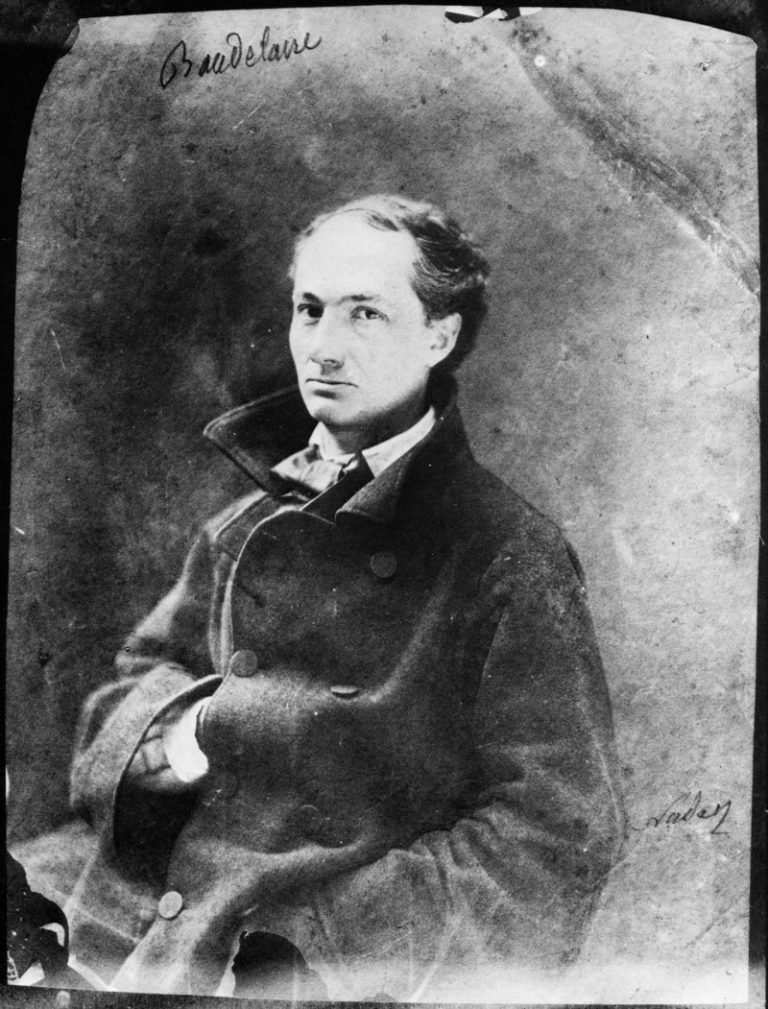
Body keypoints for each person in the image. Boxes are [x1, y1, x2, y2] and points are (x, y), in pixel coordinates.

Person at [16, 195, 625, 1001]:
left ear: (439, 336)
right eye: (310, 309)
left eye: (365, 313)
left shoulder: (506, 552)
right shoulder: (241, 525)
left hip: (289, 960)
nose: (325, 347)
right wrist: (192, 732)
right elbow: (123, 698)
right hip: (123, 908)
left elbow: (554, 832)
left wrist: (325, 941)